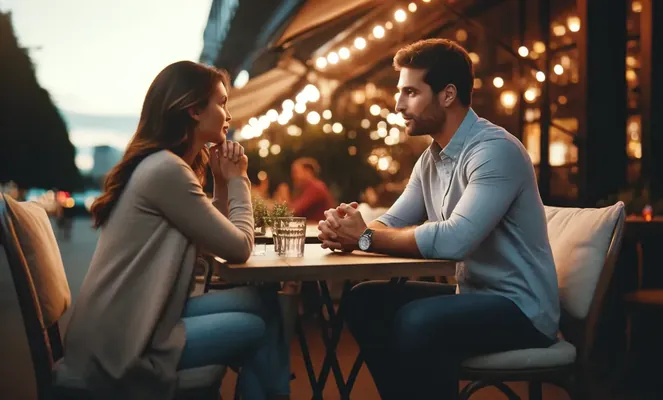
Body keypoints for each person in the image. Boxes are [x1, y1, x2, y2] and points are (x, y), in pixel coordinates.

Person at [318, 39, 560, 399]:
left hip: (522, 309)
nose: (398, 105)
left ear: (448, 95)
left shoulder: (494, 151)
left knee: (418, 322)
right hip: (474, 295)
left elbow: (454, 240)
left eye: (411, 92)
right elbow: (391, 220)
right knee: (363, 301)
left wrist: (365, 237)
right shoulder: (431, 160)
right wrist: (348, 229)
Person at [55, 61, 290, 400]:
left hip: (137, 321)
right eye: (221, 102)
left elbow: (215, 239)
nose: (228, 114)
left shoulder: (165, 166)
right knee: (257, 327)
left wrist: (222, 183)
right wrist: (240, 179)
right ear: (194, 109)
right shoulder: (167, 170)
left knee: (262, 300)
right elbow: (239, 247)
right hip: (125, 344)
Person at [275, 157, 334, 222]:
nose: (293, 176)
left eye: (295, 172)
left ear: (308, 171)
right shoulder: (306, 189)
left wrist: (284, 197)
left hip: (317, 230)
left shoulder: (315, 188)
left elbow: (292, 212)